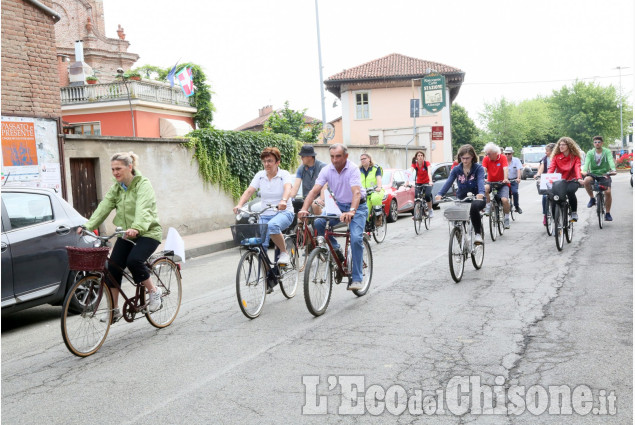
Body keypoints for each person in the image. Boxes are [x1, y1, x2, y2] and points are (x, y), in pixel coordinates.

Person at [79, 152, 163, 323]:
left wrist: (137, 227)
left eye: (118, 168)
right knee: (113, 268)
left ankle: (154, 291)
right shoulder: (116, 188)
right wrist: (88, 226)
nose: (115, 172)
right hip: (127, 233)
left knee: (134, 261)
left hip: (148, 232)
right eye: (112, 169)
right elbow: (104, 207)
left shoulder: (143, 185)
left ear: (130, 167)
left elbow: (143, 209)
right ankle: (113, 310)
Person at [298, 144, 367, 291]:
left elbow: (356, 193)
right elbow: (314, 191)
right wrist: (304, 209)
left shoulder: (353, 169)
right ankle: (336, 250)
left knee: (355, 238)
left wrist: (352, 211)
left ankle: (357, 277)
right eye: (332, 156)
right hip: (340, 206)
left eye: (338, 156)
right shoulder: (327, 170)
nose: (335, 160)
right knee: (319, 223)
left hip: (358, 206)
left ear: (346, 156)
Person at [233, 147, 294, 278]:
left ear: (277, 162)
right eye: (265, 161)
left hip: (284, 212)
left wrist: (283, 200)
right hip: (265, 214)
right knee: (260, 247)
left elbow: (287, 188)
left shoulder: (284, 174)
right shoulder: (260, 175)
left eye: (270, 161)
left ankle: (284, 253)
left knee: (273, 226)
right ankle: (269, 277)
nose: (267, 164)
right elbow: (249, 191)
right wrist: (240, 204)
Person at [435, 144, 486, 245]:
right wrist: (440, 194)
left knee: (474, 208)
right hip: (462, 198)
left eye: (467, 158)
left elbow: (480, 181)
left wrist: (481, 193)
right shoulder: (456, 169)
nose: (465, 161)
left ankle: (478, 234)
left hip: (477, 198)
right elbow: (449, 182)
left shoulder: (478, 168)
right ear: (460, 157)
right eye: (463, 158)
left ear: (472, 157)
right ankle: (460, 246)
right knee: (456, 218)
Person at [548, 137, 584, 222]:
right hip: (560, 181)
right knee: (554, 197)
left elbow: (577, 168)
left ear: (569, 146)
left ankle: (574, 212)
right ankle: (555, 220)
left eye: (563, 145)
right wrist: (547, 178)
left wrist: (579, 178)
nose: (561, 146)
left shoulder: (575, 157)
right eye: (560, 145)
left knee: (570, 191)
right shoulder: (556, 157)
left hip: (572, 180)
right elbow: (551, 169)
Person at [582, 136, 616, 221]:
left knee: (607, 192)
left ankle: (607, 213)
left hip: (604, 174)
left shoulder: (607, 151)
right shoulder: (590, 152)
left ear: (602, 143)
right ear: (593, 143)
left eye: (599, 142)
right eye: (595, 142)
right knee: (586, 180)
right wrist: (584, 170)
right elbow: (587, 162)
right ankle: (592, 198)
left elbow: (610, 160)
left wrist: (613, 169)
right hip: (593, 173)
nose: (597, 143)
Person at [289, 144, 327, 215]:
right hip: (308, 198)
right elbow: (295, 187)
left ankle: (319, 224)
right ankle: (301, 225)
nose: (301, 158)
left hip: (323, 197)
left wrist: (321, 199)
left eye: (302, 156)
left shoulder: (322, 167)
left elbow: (325, 186)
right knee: (301, 218)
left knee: (316, 204)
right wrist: (287, 199)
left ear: (310, 156)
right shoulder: (301, 169)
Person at [482, 142, 511, 228]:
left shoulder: (502, 157)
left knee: (504, 200)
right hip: (490, 182)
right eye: (486, 154)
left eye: (489, 154)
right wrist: (481, 178)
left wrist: (505, 179)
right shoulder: (486, 159)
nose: (487, 155)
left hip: (502, 183)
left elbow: (505, 168)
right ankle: (488, 206)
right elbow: (483, 169)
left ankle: (506, 218)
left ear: (495, 153)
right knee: (485, 188)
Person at [359, 152, 385, 226]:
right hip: (364, 193)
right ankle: (365, 226)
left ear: (369, 159)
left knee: (375, 198)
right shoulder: (359, 170)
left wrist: (379, 187)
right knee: (364, 211)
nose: (362, 160)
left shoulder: (376, 168)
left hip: (375, 190)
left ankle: (378, 217)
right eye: (361, 159)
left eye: (364, 158)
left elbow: (379, 178)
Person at [534, 143, 555, 225]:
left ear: (553, 151)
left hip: (557, 179)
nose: (545, 152)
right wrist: (538, 175)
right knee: (545, 196)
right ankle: (545, 215)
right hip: (547, 179)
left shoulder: (559, 158)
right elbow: (541, 168)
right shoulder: (545, 159)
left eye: (547, 151)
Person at [408, 150, 433, 217]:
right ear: (416, 157)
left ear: (423, 157)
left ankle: (430, 210)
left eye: (421, 155)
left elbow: (429, 173)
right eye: (418, 156)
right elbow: (410, 173)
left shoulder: (426, 163)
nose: (420, 157)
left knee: (427, 196)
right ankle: (417, 214)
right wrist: (407, 182)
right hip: (418, 182)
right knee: (416, 197)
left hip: (427, 182)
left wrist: (430, 181)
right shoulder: (414, 164)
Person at [503, 146, 523, 214]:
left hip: (513, 180)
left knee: (514, 192)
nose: (507, 155)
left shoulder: (516, 160)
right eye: (506, 154)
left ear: (512, 153)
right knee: (503, 194)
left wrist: (518, 178)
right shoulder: (502, 160)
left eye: (509, 154)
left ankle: (517, 206)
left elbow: (518, 169)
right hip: (505, 180)